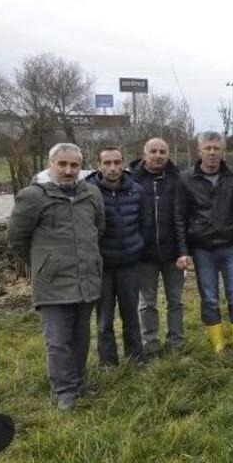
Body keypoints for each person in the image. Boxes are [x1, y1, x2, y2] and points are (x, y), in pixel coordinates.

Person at [7, 143, 104, 411]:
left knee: (81, 338)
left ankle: (79, 383)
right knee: (59, 341)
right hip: (52, 284)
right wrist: (44, 264)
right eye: (62, 164)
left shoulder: (91, 194)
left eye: (74, 165)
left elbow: (99, 229)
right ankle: (64, 391)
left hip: (85, 280)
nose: (68, 171)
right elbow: (16, 239)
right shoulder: (33, 197)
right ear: (50, 165)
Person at [174, 131, 233, 353]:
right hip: (202, 249)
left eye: (216, 149)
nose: (212, 153)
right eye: (207, 148)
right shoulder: (186, 178)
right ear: (199, 151)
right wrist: (183, 250)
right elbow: (180, 216)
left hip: (231, 246)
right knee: (209, 298)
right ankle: (218, 344)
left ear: (223, 151)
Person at [87, 146, 146, 366]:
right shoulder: (88, 192)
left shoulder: (136, 190)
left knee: (131, 315)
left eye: (117, 162)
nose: (113, 168)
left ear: (123, 164)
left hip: (129, 264)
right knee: (104, 319)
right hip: (102, 266)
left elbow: (144, 223)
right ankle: (108, 364)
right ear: (99, 166)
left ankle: (136, 359)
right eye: (107, 163)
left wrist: (137, 247)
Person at [129, 138, 185, 357]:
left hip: (173, 253)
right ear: (144, 154)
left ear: (168, 155)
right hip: (144, 254)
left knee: (176, 301)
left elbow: (183, 217)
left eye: (163, 151)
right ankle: (150, 344)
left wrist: (184, 251)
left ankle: (176, 343)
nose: (158, 155)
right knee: (147, 303)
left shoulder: (178, 179)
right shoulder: (132, 180)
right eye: (153, 151)